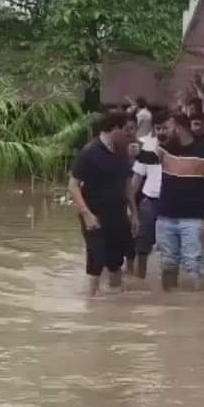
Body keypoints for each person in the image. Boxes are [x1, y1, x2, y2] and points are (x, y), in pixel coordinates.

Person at [140, 110, 204, 290]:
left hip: (193, 218)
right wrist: (132, 147)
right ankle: (172, 304)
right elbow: (149, 158)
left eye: (167, 127)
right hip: (165, 216)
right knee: (167, 264)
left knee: (192, 265)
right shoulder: (166, 148)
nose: (163, 131)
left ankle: (193, 308)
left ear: (178, 128)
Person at [69, 112, 140, 297]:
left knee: (116, 261)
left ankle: (115, 307)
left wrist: (134, 213)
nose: (129, 135)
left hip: (117, 215)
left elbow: (127, 186)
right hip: (94, 214)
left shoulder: (121, 151)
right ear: (115, 129)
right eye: (126, 130)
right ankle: (90, 303)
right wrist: (86, 214)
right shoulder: (90, 152)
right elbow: (73, 185)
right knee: (96, 259)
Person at [130, 113, 168, 279]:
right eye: (158, 128)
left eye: (165, 128)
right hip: (150, 200)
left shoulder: (180, 148)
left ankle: (169, 287)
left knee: (170, 246)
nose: (162, 131)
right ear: (154, 129)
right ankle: (140, 282)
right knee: (142, 244)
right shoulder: (148, 147)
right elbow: (137, 178)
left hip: (172, 202)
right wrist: (129, 206)